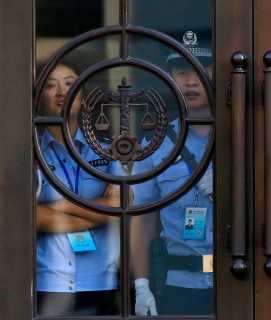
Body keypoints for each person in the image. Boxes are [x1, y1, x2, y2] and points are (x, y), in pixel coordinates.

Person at [131, 31, 214, 316]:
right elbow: (143, 219)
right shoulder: (156, 143)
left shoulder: (241, 140)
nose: (190, 81)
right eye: (181, 71)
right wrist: (141, 285)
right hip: (176, 284)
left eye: (200, 71)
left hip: (236, 280)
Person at [36, 63, 122, 315]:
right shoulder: (33, 153)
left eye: (69, 82)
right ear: (39, 99)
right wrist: (95, 211)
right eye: (51, 85)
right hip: (49, 283)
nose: (61, 91)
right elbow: (29, 218)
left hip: (101, 283)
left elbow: (119, 208)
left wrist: (59, 207)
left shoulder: (107, 153)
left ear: (82, 97)